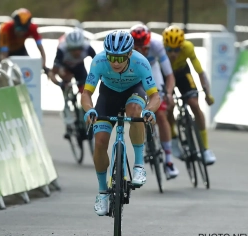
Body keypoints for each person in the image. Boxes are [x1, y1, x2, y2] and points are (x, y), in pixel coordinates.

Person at [81, 30, 161, 216]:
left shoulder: (141, 63)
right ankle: (102, 192)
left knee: (135, 111)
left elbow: (155, 96)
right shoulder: (99, 61)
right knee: (100, 142)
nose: (115, 62)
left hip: (134, 91)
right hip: (108, 96)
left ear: (130, 54)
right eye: (111, 57)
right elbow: (86, 94)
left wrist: (149, 110)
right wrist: (89, 109)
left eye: (120, 58)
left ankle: (139, 165)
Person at [130, 23, 179, 179]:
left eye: (143, 48)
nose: (140, 51)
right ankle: (143, 144)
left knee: (162, 115)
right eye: (136, 49)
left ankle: (169, 161)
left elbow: (169, 75)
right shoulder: (127, 50)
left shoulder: (156, 46)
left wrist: (169, 93)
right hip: (136, 75)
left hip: (153, 72)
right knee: (137, 108)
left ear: (148, 44)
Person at [162, 25, 216, 165]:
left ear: (182, 46)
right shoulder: (159, 50)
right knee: (169, 105)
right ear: (164, 47)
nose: (173, 54)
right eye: (169, 50)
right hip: (165, 76)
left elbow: (200, 73)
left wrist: (207, 94)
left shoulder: (188, 48)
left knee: (194, 104)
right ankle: (173, 139)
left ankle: (205, 149)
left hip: (182, 73)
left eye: (177, 50)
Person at [48, 28, 96, 139]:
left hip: (79, 67)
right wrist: (59, 83)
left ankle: (88, 118)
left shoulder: (87, 47)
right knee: (66, 86)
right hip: (65, 69)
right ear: (68, 47)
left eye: (78, 49)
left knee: (85, 92)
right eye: (72, 49)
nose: (76, 52)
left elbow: (99, 64)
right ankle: (68, 122)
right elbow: (52, 73)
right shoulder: (62, 50)